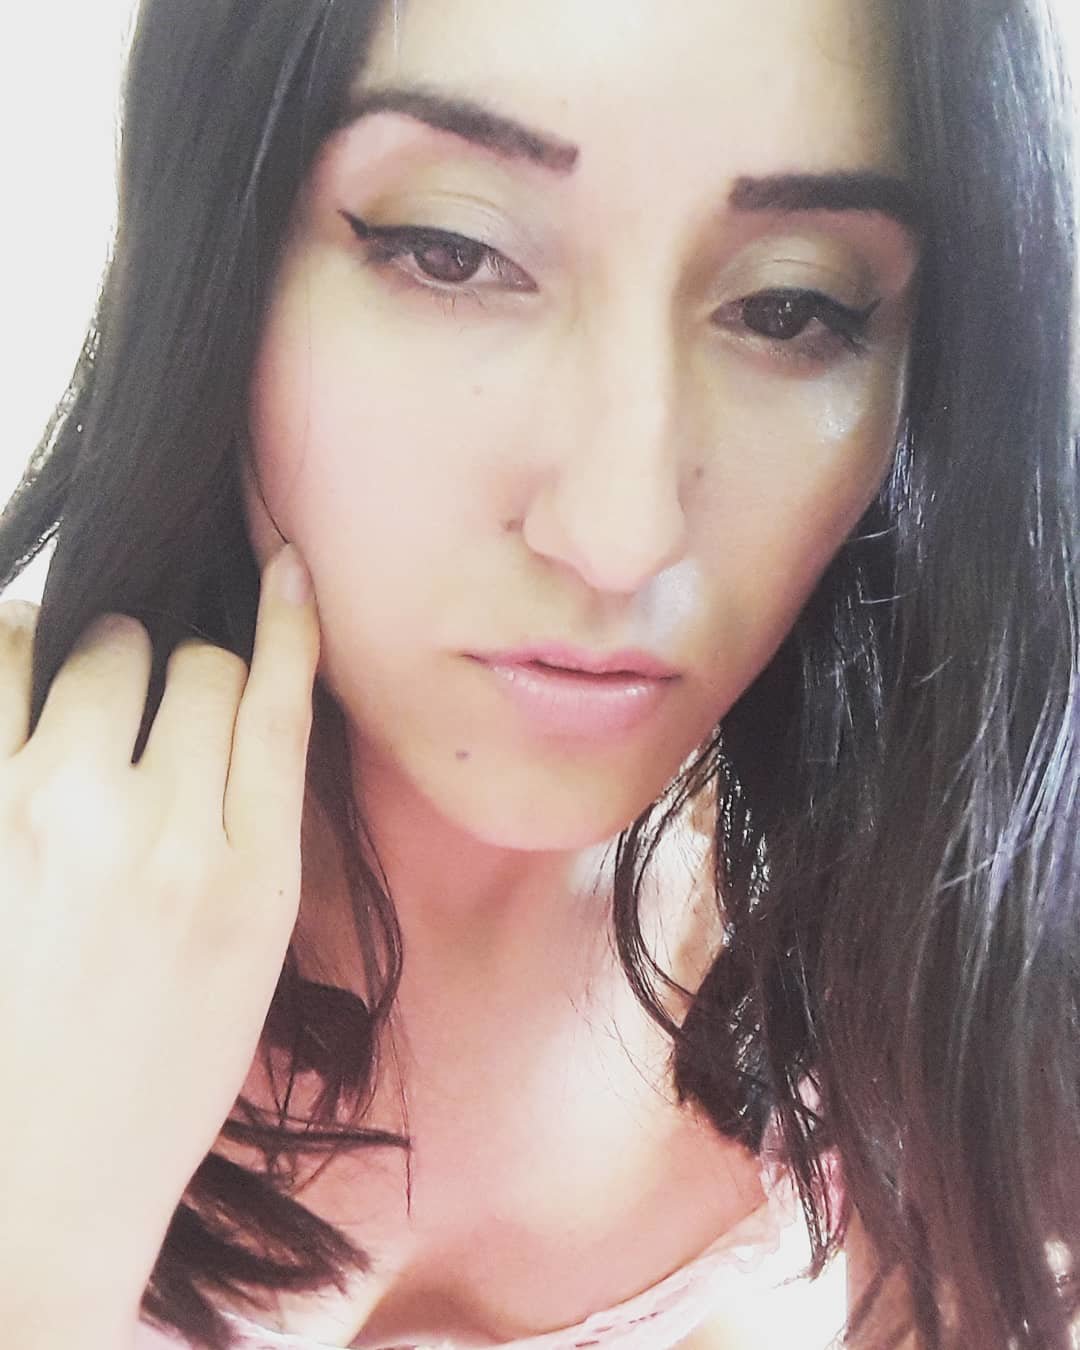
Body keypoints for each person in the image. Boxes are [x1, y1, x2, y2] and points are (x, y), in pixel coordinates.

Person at [0, 0, 1075, 1347]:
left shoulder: (947, 995)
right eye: (451, 251)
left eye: (790, 307)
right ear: (218, 244)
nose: (622, 533)